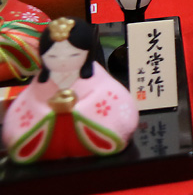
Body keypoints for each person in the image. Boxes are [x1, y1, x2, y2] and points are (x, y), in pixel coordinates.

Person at [2, 17, 137, 163]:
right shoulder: (40, 84)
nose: (62, 61)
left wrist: (78, 108)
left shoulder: (98, 78)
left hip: (89, 132)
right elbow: (27, 105)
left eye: (74, 55)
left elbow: (116, 100)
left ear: (87, 54)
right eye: (53, 56)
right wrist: (49, 110)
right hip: (50, 138)